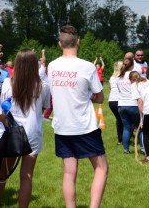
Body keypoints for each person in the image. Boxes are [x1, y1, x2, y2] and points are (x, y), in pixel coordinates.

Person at [48, 25, 108, 207]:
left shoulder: (52, 66)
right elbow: (100, 97)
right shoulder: (87, 67)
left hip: (62, 126)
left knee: (69, 172)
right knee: (101, 168)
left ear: (60, 44)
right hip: (84, 126)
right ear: (78, 42)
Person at [0, 49, 50, 207]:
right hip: (32, 134)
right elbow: (45, 109)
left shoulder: (8, 83)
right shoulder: (43, 86)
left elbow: (3, 108)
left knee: (3, 174)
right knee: (26, 176)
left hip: (11, 132)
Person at [117, 58, 141, 154]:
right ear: (132, 66)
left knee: (126, 128)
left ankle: (126, 149)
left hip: (122, 105)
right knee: (140, 126)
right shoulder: (134, 76)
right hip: (133, 104)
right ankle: (143, 147)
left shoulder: (119, 77)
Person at [108, 61, 123, 145]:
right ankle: (125, 138)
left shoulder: (111, 77)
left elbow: (110, 88)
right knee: (125, 120)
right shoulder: (122, 77)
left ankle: (120, 140)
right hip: (119, 100)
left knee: (119, 119)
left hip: (111, 101)